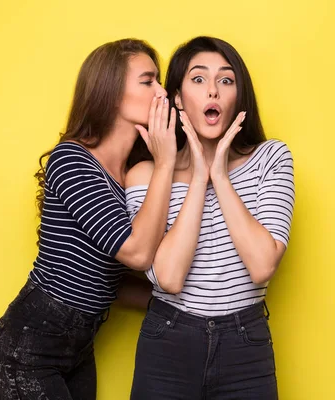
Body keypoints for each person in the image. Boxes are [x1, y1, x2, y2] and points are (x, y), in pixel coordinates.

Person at [0, 38, 177, 400]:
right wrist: (166, 162)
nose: (162, 92)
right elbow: (136, 254)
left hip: (78, 350)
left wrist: (187, 304)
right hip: (27, 351)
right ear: (111, 91)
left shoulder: (133, 177)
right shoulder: (72, 160)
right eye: (148, 80)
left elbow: (108, 283)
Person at [126, 36, 295, 399]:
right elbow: (169, 277)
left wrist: (219, 175)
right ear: (176, 97)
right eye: (199, 79)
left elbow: (263, 264)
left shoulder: (271, 159)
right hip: (168, 340)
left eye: (226, 80)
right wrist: (199, 176)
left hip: (245, 346)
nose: (213, 91)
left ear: (238, 97)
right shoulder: (146, 174)